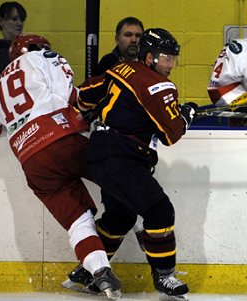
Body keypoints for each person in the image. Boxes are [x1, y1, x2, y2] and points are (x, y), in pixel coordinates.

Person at [0, 34, 122, 300]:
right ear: (35, 49)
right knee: (126, 178)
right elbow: (73, 97)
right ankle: (151, 243)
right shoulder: (44, 57)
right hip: (62, 139)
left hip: (31, 160)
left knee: (78, 221)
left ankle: (100, 271)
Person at [66, 28, 197, 301]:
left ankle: (87, 273)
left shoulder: (120, 69)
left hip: (101, 153)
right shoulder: (159, 85)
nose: (170, 65)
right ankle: (164, 275)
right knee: (159, 210)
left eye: (173, 59)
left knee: (120, 216)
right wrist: (186, 115)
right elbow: (171, 134)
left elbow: (84, 96)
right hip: (121, 158)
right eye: (166, 59)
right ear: (150, 58)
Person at [0, 2, 27, 85]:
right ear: (1, 21)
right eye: (14, 19)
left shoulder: (31, 47)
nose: (19, 23)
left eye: (22, 20)